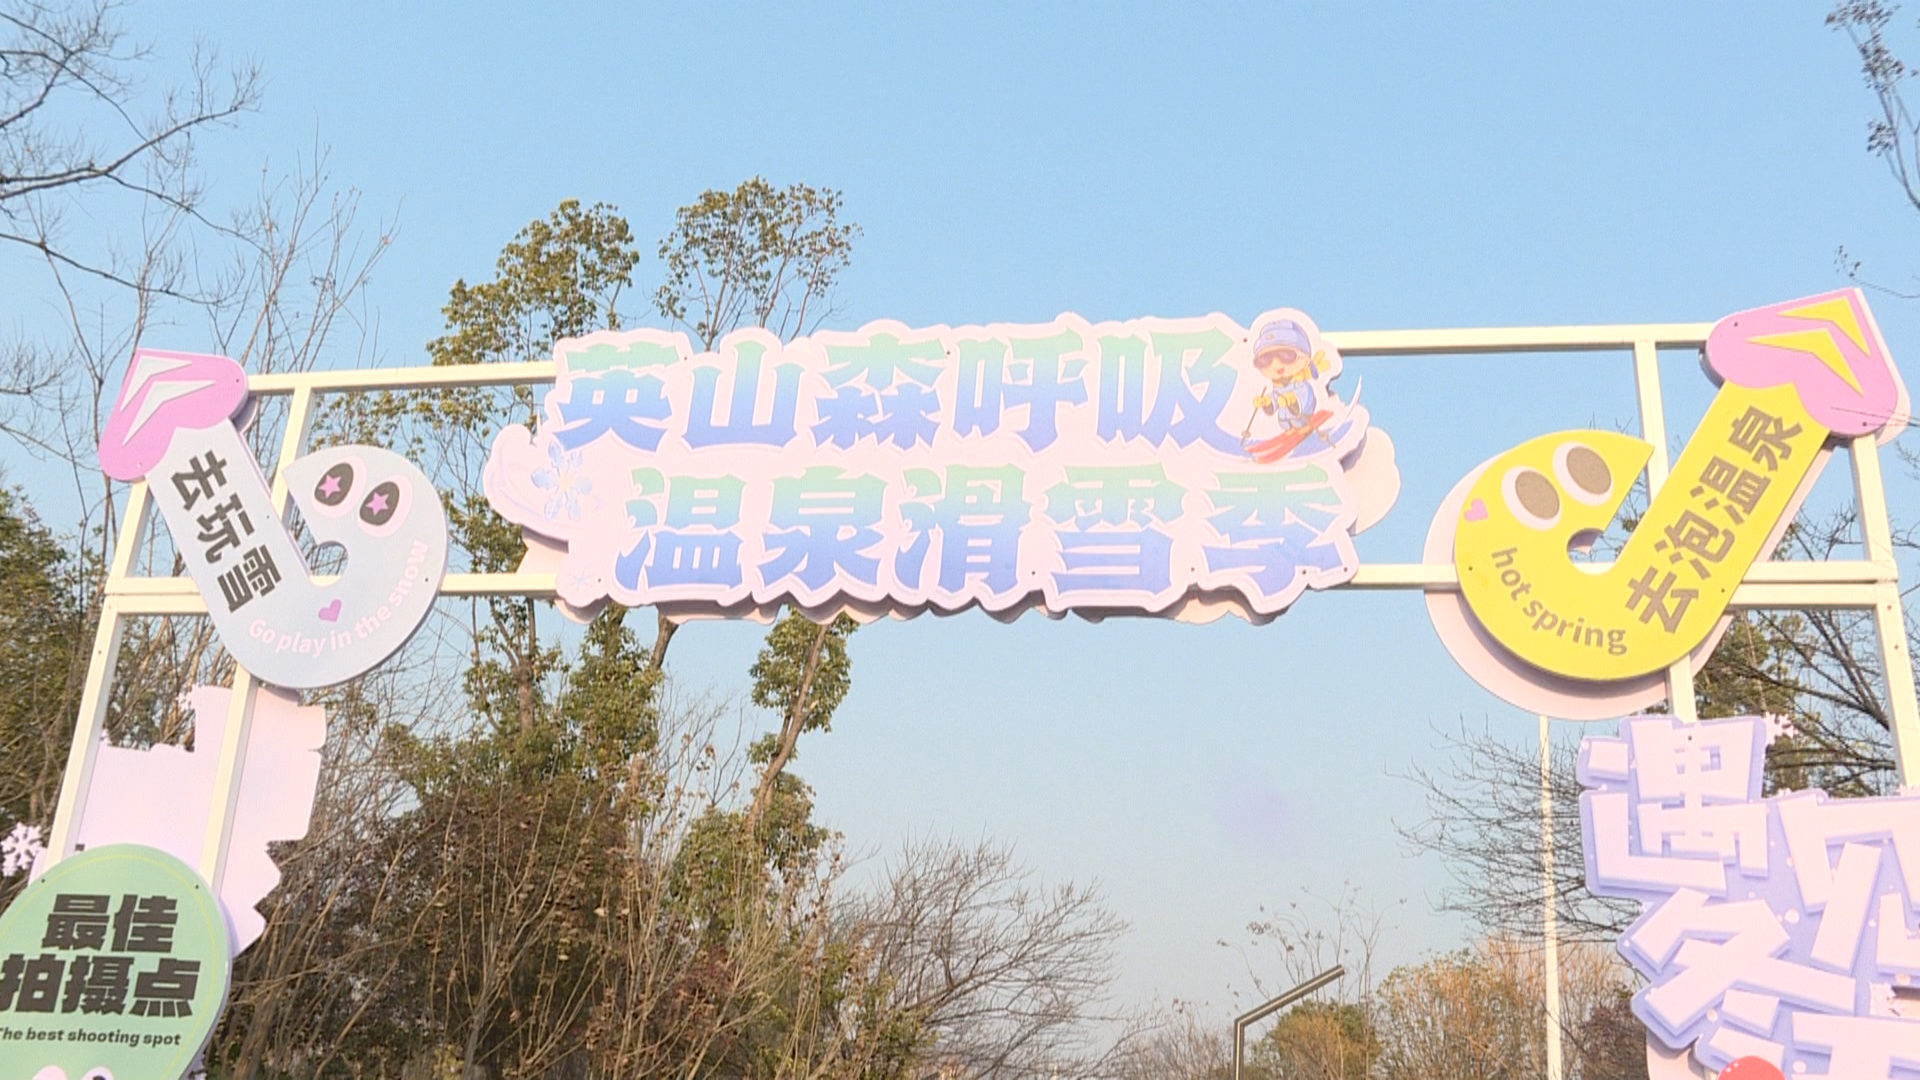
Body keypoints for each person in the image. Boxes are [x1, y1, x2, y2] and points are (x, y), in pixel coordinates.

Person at [1240, 318, 1331, 456]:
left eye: (1286, 356)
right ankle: (1290, 428)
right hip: (1285, 415)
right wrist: (1266, 401)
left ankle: (1303, 426)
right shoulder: (1278, 386)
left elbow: (1305, 396)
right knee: (1284, 420)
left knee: (1297, 418)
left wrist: (1291, 399)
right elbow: (1274, 397)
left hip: (1301, 413)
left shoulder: (1299, 383)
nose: (1276, 364)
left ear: (1305, 359)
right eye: (1265, 360)